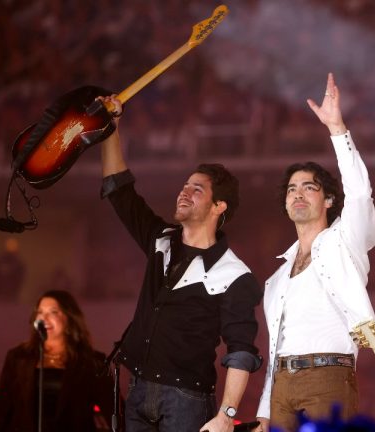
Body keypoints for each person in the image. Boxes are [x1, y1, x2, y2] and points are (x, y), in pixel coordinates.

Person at [98, 95, 263, 432]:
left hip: (187, 399)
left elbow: (242, 351)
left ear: (219, 206)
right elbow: (120, 193)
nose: (184, 192)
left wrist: (227, 415)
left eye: (197, 189)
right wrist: (111, 129)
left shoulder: (234, 274)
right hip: (139, 387)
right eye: (185, 185)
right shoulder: (161, 239)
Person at [256, 73, 375, 432]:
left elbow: (359, 193)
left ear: (327, 199)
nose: (298, 194)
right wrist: (264, 409)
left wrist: (337, 129)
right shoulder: (276, 278)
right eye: (292, 189)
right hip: (281, 386)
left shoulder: (345, 241)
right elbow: (275, 346)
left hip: (329, 377)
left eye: (309, 187)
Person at [0, 290, 113, 432]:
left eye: (53, 312)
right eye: (40, 312)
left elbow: (114, 410)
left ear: (69, 318)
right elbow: (2, 413)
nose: (44, 318)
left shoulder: (92, 362)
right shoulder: (18, 358)